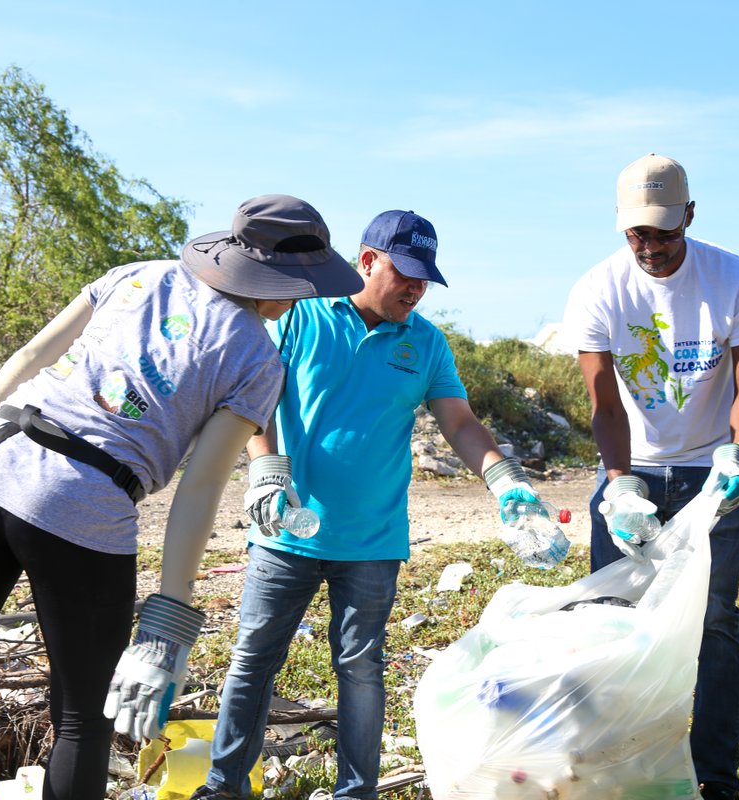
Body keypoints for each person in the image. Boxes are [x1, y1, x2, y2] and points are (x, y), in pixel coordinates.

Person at [0, 195, 365, 800]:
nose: (300, 300)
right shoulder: (256, 354)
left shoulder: (137, 274)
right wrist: (169, 620)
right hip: (80, 505)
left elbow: (29, 357)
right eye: (304, 286)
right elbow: (199, 489)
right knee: (83, 719)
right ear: (283, 282)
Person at [192, 210, 559, 800]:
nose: (416, 288)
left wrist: (506, 480)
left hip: (372, 541)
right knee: (253, 660)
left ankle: (355, 792)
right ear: (367, 261)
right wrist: (265, 465)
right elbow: (253, 396)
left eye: (425, 278)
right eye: (405, 273)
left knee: (360, 670)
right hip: (285, 531)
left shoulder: (425, 342)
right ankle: (224, 786)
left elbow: (460, 422)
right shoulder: (302, 315)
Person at [562, 154, 739, 800]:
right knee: (613, 618)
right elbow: (603, 404)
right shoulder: (598, 291)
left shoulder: (735, 280)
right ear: (621, 226)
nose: (652, 248)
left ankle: (714, 776)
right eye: (638, 235)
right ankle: (617, 768)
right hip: (631, 471)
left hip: (708, 475)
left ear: (689, 215)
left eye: (664, 232)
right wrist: (619, 483)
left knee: (714, 621)